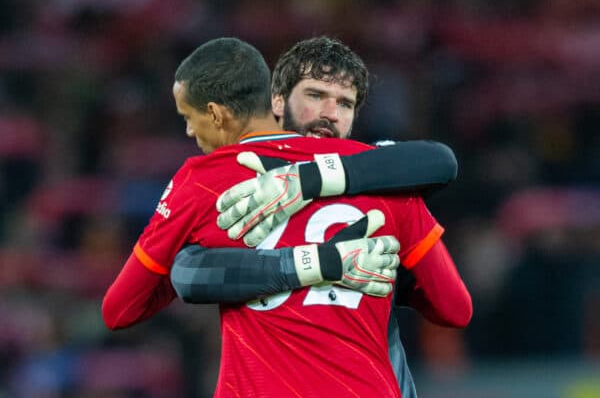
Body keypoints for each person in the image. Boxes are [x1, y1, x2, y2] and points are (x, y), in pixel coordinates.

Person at [103, 37, 471, 397]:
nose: (330, 113)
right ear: (276, 100)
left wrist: (195, 273)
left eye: (345, 103)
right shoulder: (392, 182)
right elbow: (453, 306)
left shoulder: (208, 178)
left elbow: (120, 308)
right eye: (315, 95)